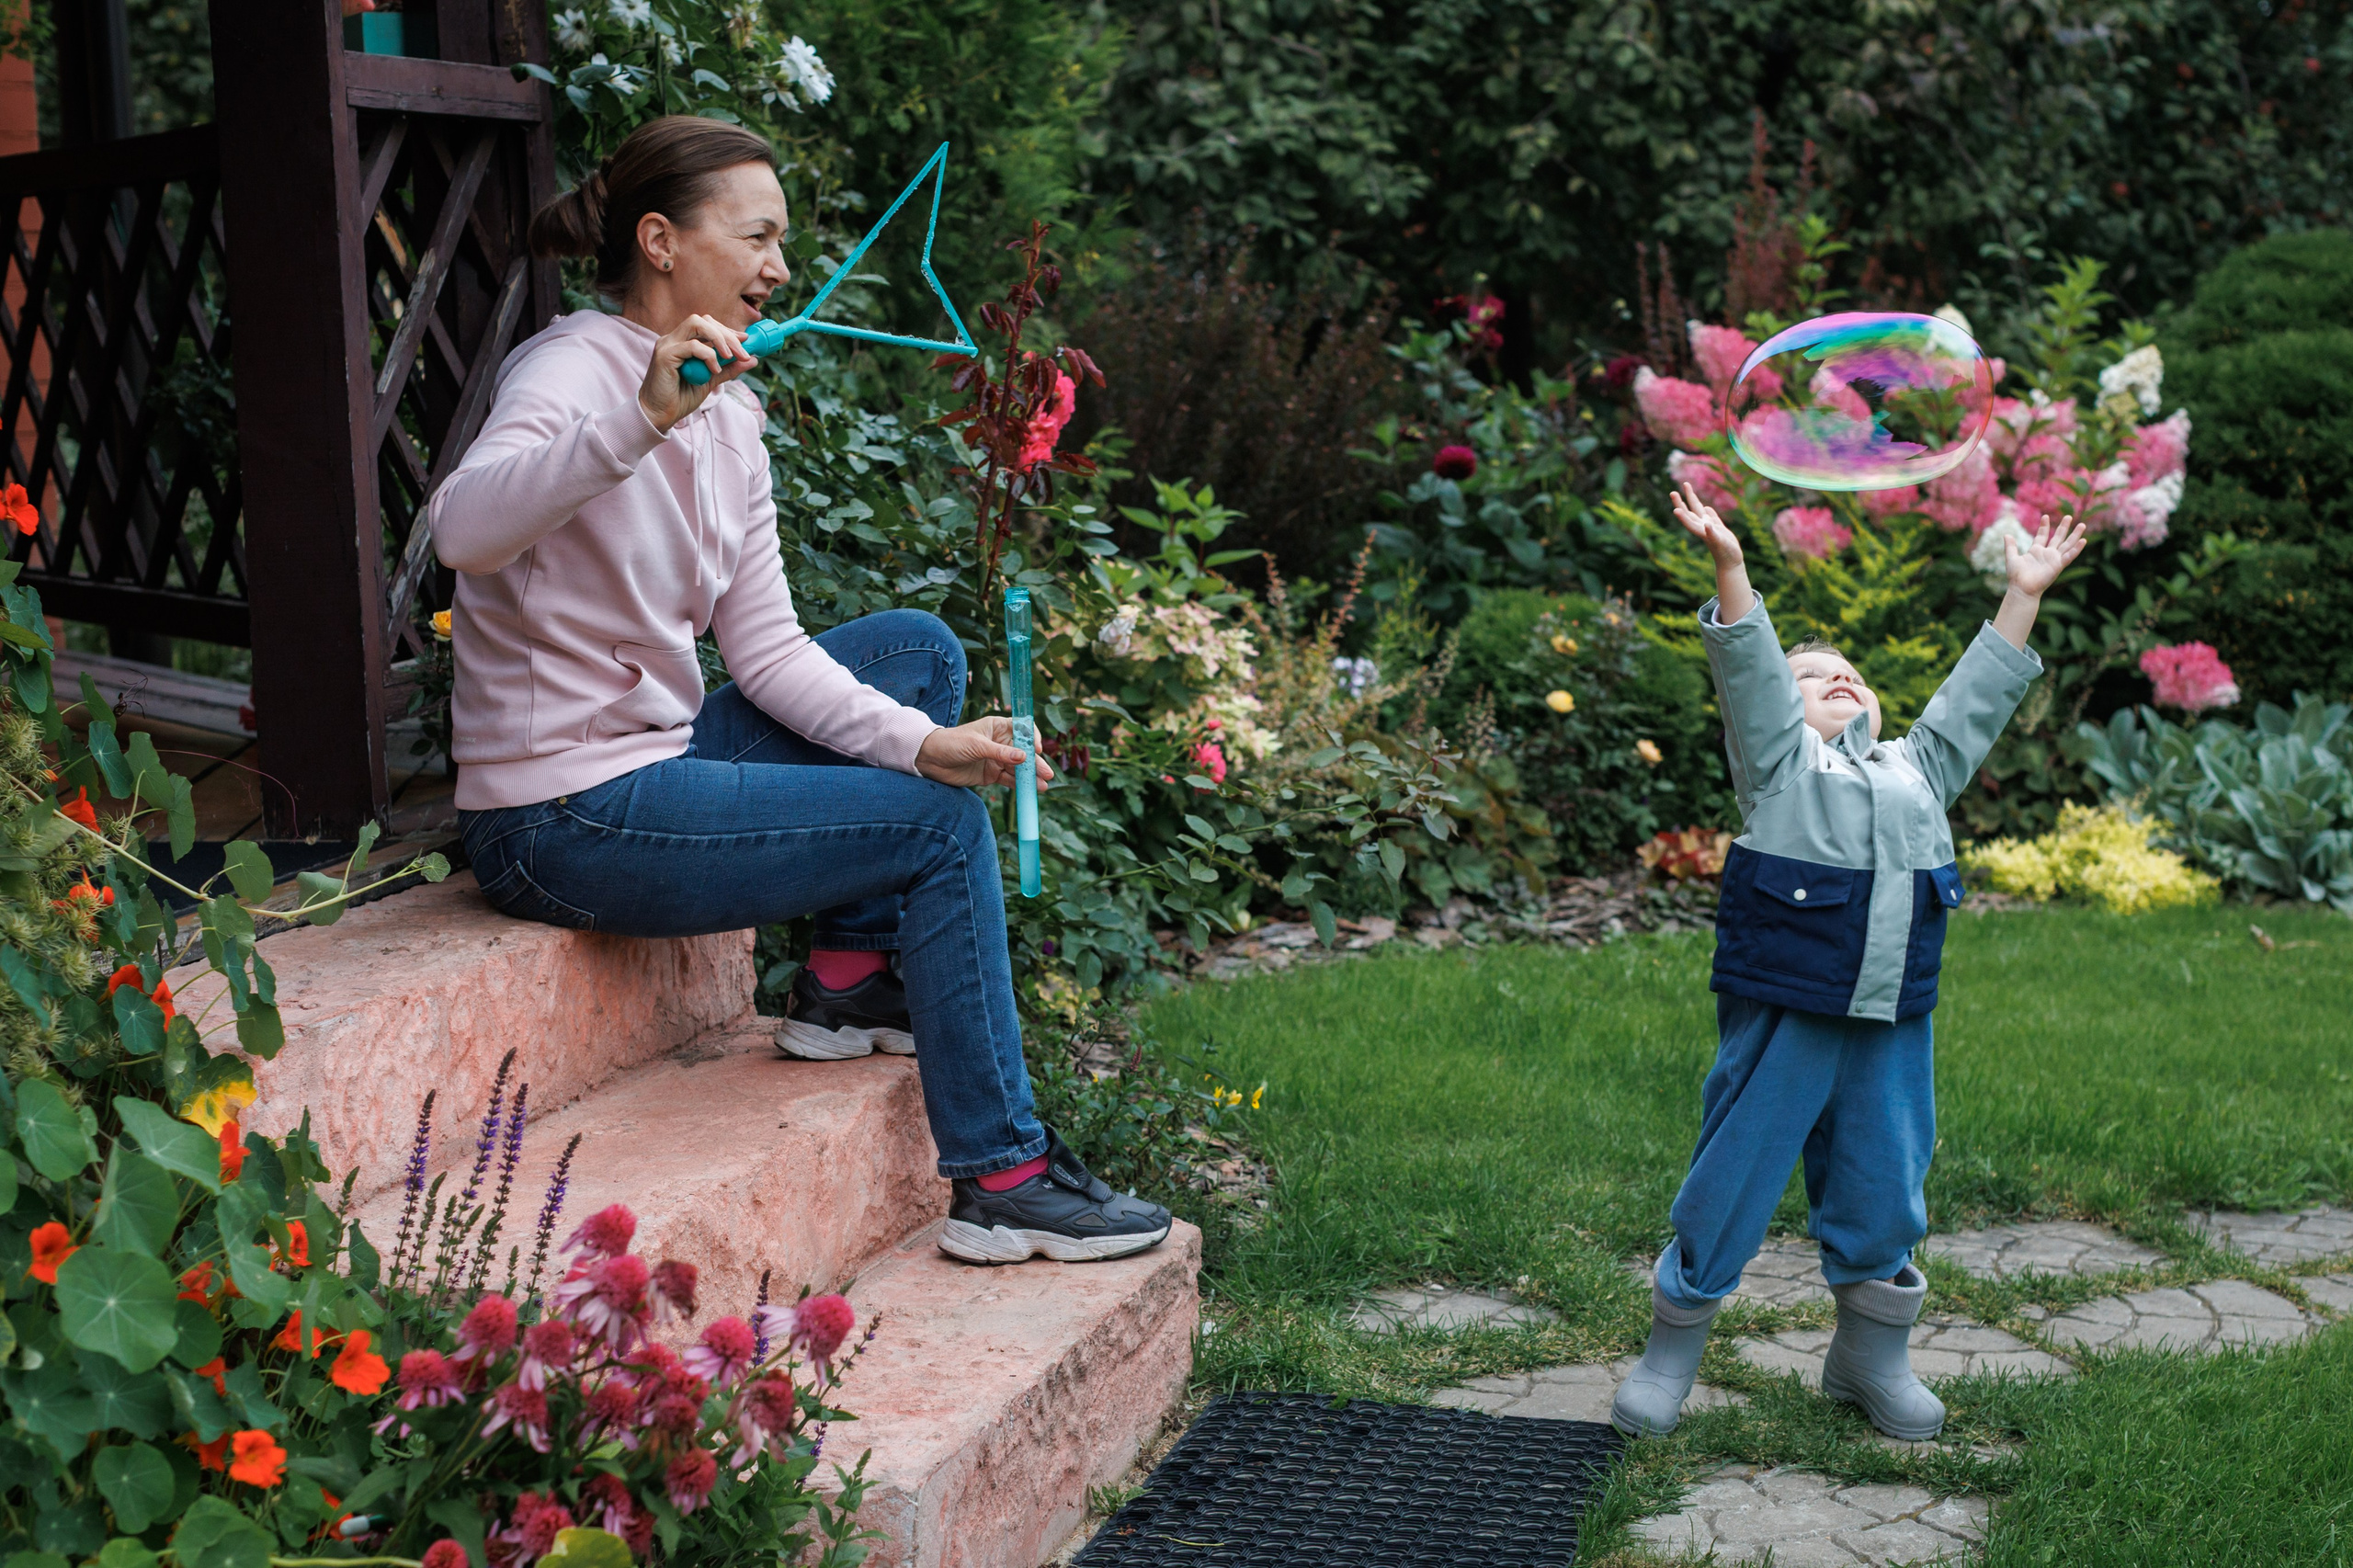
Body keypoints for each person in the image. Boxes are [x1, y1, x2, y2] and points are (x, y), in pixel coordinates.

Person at [428, 115, 1169, 1267]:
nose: (781, 266)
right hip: (554, 812)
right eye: (758, 235)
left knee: (915, 655)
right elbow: (463, 532)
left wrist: (923, 741)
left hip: (653, 754)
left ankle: (843, 985)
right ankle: (1006, 1177)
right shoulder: (570, 371)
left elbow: (767, 652)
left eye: (783, 240)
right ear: (663, 240)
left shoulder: (730, 412)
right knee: (933, 832)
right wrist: (636, 423)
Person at [1609, 483, 2086, 1441]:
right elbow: (1748, 677)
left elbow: (1976, 696)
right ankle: (1673, 1347)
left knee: (1886, 1174)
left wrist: (2023, 591)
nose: (1839, 677)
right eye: (1812, 673)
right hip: (1786, 1011)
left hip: (1890, 1019)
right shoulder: (1781, 768)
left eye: (1851, 672)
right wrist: (1731, 569)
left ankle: (1868, 1356)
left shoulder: (1920, 767)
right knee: (1733, 1172)